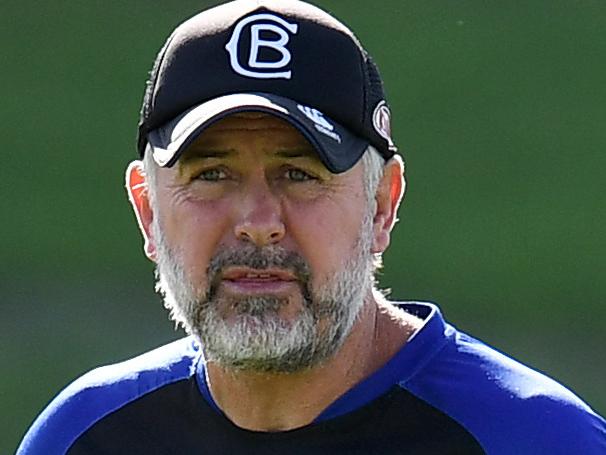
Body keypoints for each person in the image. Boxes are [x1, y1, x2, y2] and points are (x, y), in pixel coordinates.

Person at [17, 0, 605, 453]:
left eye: (298, 174)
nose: (258, 224)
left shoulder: (536, 440)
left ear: (382, 206)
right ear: (147, 210)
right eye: (213, 173)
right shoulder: (84, 438)